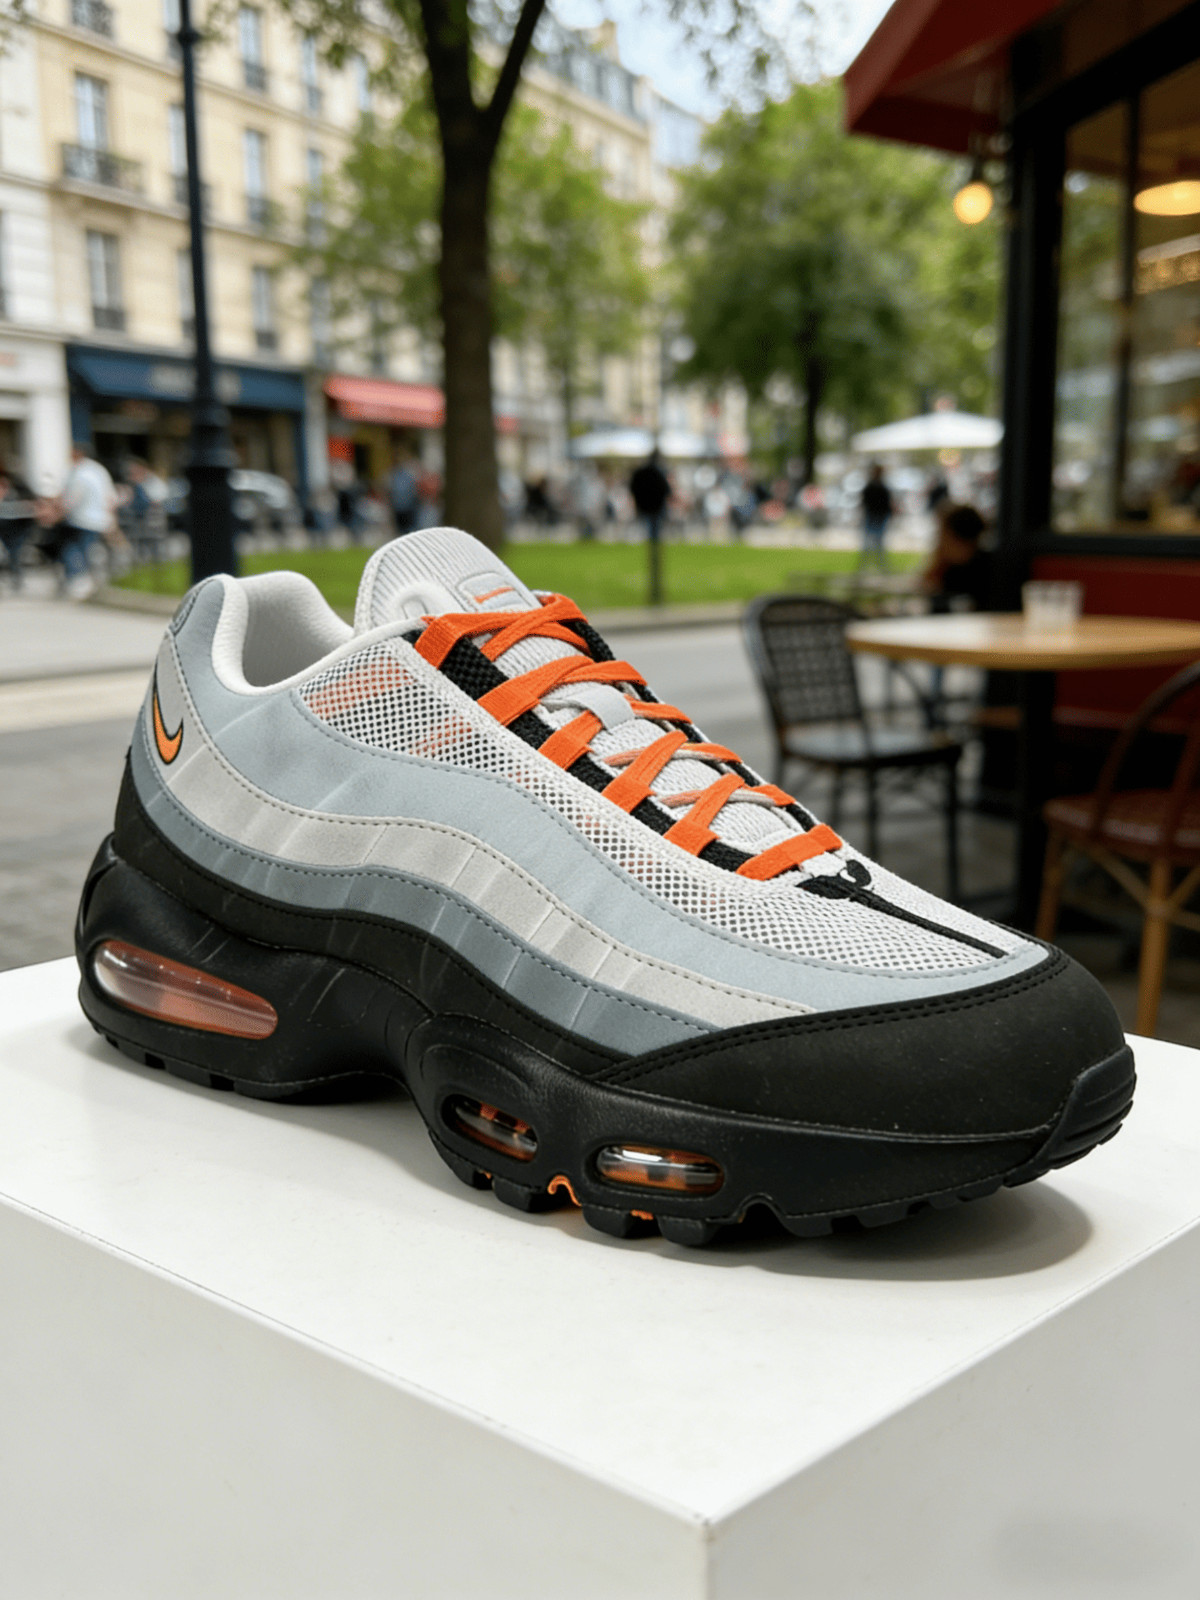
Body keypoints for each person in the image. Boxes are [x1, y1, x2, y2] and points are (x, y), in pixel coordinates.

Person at [59, 442, 117, 597]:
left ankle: (78, 580)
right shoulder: (99, 470)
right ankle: (89, 580)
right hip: (99, 519)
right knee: (88, 549)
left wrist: (59, 511)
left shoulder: (79, 472)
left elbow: (73, 498)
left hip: (80, 519)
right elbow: (111, 497)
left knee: (72, 549)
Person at [923, 502, 993, 613]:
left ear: (956, 539)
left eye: (941, 534)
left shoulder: (957, 575)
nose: (939, 543)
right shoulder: (989, 563)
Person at [0, 467, 36, 592]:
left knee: (15, 555)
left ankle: (16, 579)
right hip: (4, 531)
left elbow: (30, 510)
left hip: (16, 532)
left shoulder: (18, 494)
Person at [629, 449, 671, 546]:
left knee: (648, 527)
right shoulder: (659, 473)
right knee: (653, 528)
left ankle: (649, 542)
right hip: (655, 506)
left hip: (645, 505)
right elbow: (667, 490)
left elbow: (633, 487)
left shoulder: (643, 472)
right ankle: (651, 543)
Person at [859, 462, 893, 571]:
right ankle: (865, 566)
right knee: (868, 543)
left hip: (879, 517)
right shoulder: (872, 487)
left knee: (878, 543)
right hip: (872, 516)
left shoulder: (881, 487)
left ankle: (879, 565)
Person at [389, 452, 420, 536]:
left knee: (409, 529)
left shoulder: (409, 475)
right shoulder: (394, 475)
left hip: (408, 507)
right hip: (398, 507)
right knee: (400, 530)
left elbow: (414, 490)